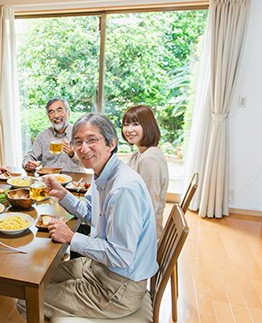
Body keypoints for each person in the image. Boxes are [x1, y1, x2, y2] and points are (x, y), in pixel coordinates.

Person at [18, 113, 158, 320]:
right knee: (34, 278)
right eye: (78, 142)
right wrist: (64, 195)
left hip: (118, 288)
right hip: (99, 268)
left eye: (92, 140)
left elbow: (121, 256)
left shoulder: (123, 189)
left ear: (111, 143)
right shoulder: (104, 173)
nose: (84, 148)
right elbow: (94, 216)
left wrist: (71, 238)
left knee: (25, 300)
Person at [122, 105, 169, 239]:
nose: (129, 130)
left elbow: (149, 208)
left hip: (142, 236)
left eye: (135, 124)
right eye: (126, 125)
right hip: (136, 225)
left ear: (148, 126)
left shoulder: (149, 159)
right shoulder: (139, 154)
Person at [22, 98, 84, 173]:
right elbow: (29, 157)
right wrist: (28, 164)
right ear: (48, 116)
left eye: (59, 110)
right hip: (49, 180)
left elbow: (87, 163)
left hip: (74, 180)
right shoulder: (43, 136)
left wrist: (72, 154)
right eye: (51, 112)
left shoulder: (79, 133)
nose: (56, 115)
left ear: (68, 113)